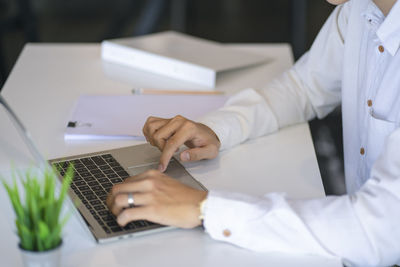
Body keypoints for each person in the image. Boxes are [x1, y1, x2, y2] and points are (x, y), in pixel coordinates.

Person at [107, 0, 400, 265]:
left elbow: (379, 229)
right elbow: (304, 88)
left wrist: (205, 209)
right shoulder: (358, 11)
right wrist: (218, 128)